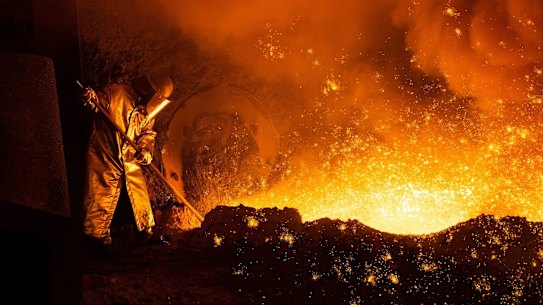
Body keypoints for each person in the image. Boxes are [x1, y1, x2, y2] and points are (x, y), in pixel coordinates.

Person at [81, 72, 174, 245]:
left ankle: (145, 233)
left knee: (138, 202)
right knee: (98, 205)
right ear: (150, 89)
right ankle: (96, 241)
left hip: (129, 164)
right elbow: (95, 104)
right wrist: (91, 97)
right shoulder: (114, 93)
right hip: (105, 160)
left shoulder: (145, 109)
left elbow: (147, 134)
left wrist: (146, 150)